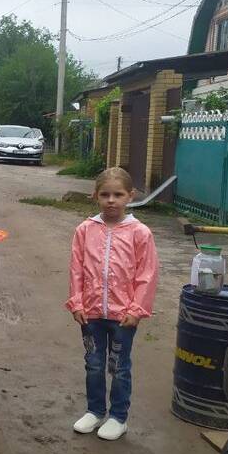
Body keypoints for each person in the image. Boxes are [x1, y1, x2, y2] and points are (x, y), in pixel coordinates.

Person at [67, 167, 159, 440]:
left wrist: (136, 310)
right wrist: (77, 303)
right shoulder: (85, 230)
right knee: (93, 363)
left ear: (130, 196)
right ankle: (95, 411)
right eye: (105, 194)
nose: (111, 200)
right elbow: (76, 269)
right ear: (95, 196)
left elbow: (147, 274)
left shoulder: (140, 233)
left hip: (123, 317)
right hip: (91, 314)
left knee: (118, 365)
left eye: (118, 194)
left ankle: (118, 417)